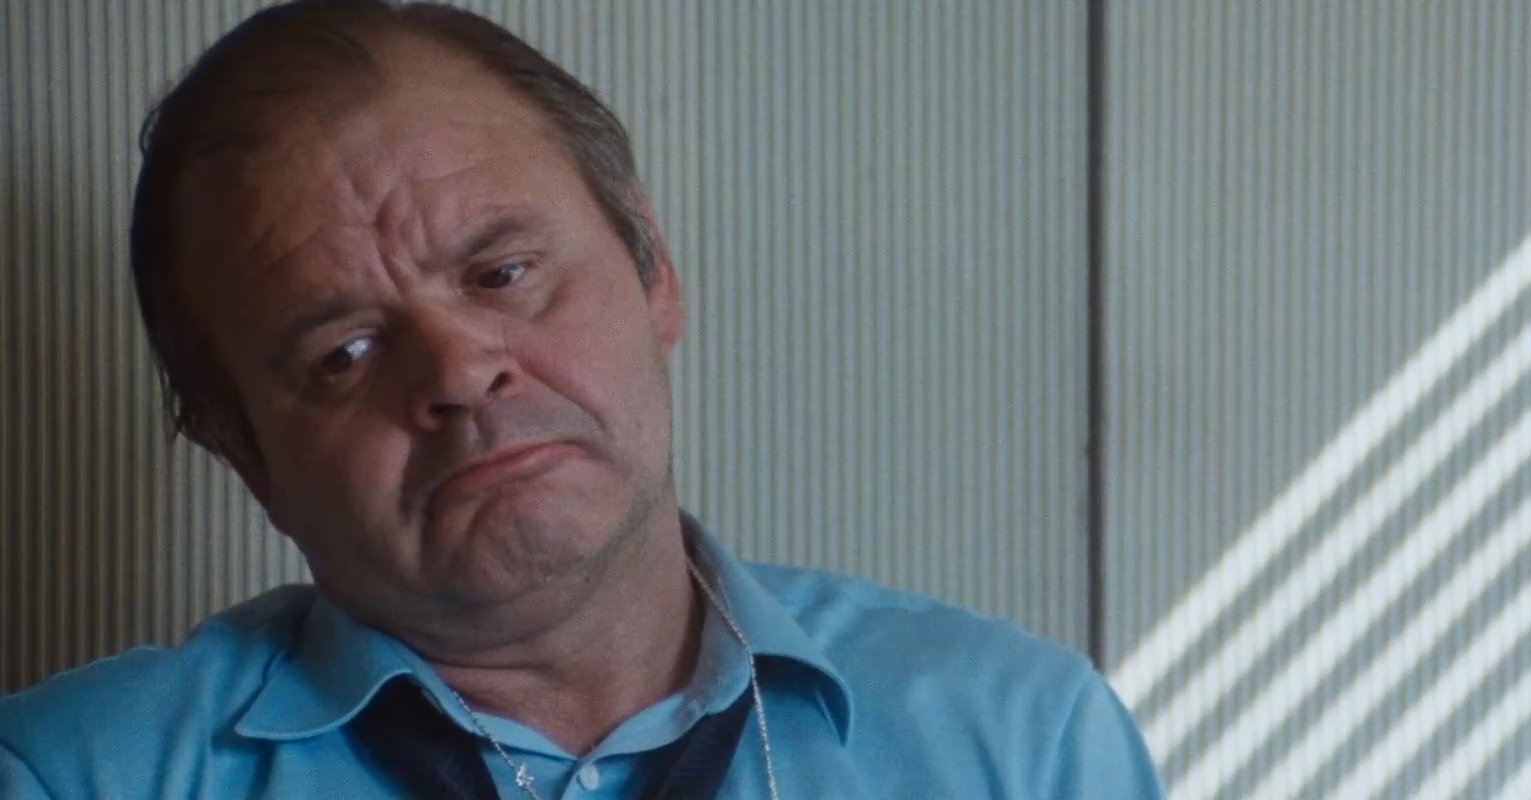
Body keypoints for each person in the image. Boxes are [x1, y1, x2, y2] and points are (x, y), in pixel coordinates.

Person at [0, 1, 1162, 797]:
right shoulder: (70, 775)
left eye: (502, 272)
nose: (459, 372)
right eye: (344, 351)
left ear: (655, 273)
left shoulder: (1023, 742)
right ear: (247, 456)